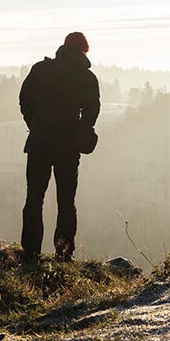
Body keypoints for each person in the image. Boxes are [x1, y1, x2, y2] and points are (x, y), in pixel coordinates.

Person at [19, 32, 100, 263]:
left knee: (34, 199)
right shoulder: (86, 77)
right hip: (67, 147)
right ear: (84, 51)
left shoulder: (40, 70)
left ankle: (30, 254)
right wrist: (82, 128)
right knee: (66, 201)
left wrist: (35, 125)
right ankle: (64, 254)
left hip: (38, 144)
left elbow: (25, 100)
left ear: (63, 48)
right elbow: (92, 109)